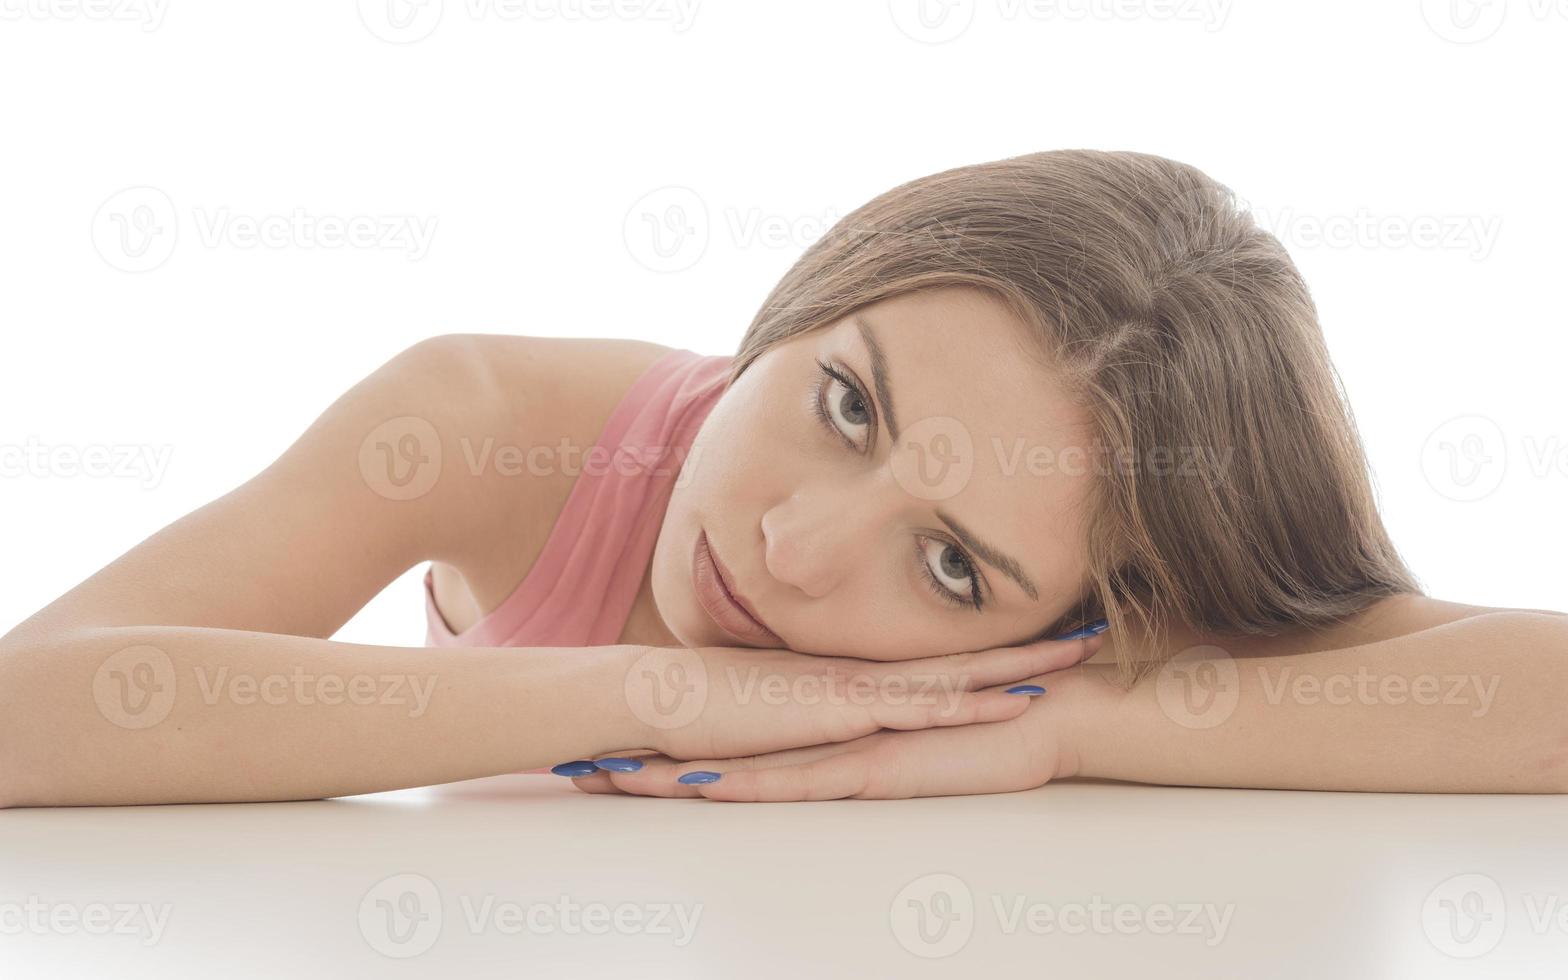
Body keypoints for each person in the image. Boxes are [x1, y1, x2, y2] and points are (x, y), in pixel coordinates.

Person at [2, 150, 1563, 808]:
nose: (793, 546)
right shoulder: (490, 422)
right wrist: (654, 696)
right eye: (843, 402)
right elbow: (35, 710)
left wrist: (1060, 731)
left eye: (952, 568)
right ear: (822, 290)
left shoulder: (1112, 604)